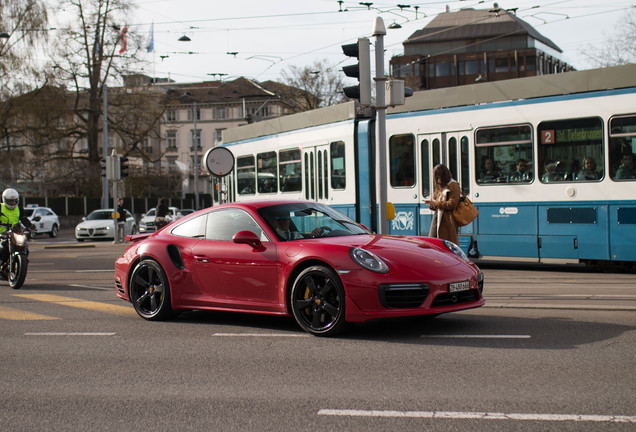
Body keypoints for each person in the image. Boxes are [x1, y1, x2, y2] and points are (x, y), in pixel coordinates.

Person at [0, 189, 36, 276]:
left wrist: (30, 226)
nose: (12, 203)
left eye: (14, 201)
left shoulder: (19, 209)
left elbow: (24, 219)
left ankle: (21, 264)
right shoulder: (0, 207)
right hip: (2, 234)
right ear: (4, 199)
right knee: (2, 248)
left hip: (14, 233)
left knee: (24, 248)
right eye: (10, 201)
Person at [425, 164, 460, 245]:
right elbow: (438, 205)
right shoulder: (441, 186)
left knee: (446, 246)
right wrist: (431, 205)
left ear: (444, 176)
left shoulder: (453, 185)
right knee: (433, 244)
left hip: (447, 222)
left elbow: (452, 204)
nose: (437, 180)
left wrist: (436, 204)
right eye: (436, 178)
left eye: (438, 177)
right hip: (437, 219)